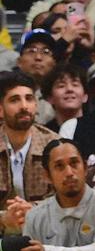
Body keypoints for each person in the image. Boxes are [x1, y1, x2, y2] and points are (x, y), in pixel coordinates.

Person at [0, 70, 58, 230]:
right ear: (0, 109)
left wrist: (33, 210)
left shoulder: (54, 145)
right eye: (14, 100)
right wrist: (3, 218)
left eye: (29, 98)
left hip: (46, 232)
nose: (24, 106)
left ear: (36, 105)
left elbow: (69, 199)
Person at [41, 63, 87, 133]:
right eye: (61, 86)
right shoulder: (43, 134)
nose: (69, 89)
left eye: (75, 85)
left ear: (85, 96)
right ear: (50, 98)